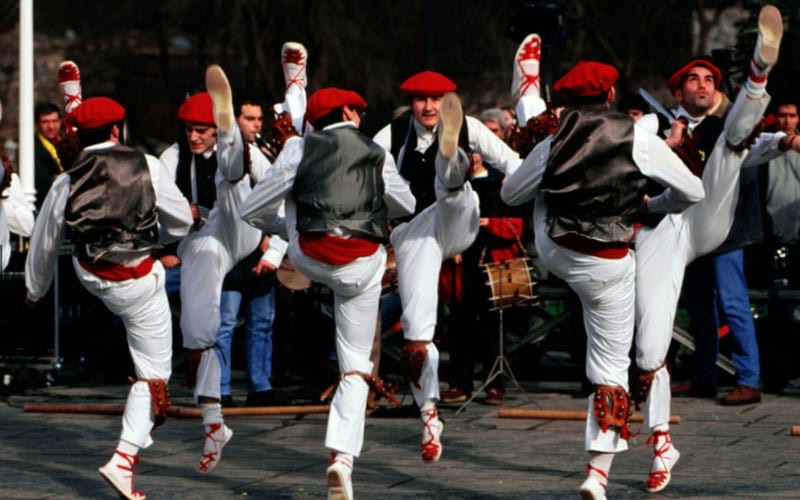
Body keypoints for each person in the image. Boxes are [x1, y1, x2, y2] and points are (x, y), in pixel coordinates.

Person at [500, 61, 705, 499]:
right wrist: (652, 205)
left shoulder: (553, 142)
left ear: (567, 103)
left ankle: (528, 102)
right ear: (611, 96)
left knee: (539, 194)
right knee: (612, 368)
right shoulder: (640, 139)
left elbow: (508, 195)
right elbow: (694, 192)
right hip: (611, 260)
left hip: (556, 248)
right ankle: (598, 473)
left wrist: (544, 157)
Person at [632, 5, 785, 493]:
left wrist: (782, 140)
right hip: (665, 230)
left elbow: (758, 147)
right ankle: (696, 375)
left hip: (712, 228)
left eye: (710, 80)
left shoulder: (721, 128)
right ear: (678, 92)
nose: (703, 86)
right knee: (689, 309)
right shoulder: (654, 127)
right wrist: (669, 145)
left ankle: (757, 77)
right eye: (693, 80)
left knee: (732, 144)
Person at [240, 86, 415, 500]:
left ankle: (341, 457)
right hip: (359, 263)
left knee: (304, 245)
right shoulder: (375, 150)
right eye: (360, 111)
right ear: (350, 112)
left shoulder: (297, 148)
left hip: (309, 256)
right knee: (356, 367)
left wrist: (293, 224)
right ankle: (341, 457)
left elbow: (253, 210)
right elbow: (405, 204)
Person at [24, 97, 193, 499]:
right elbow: (182, 221)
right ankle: (123, 460)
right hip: (137, 280)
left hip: (92, 275)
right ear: (117, 130)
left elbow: (44, 242)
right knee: (155, 377)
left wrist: (35, 291)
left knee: (133, 330)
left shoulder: (66, 179)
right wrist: (158, 236)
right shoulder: (148, 164)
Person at [373, 70, 521, 463]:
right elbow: (360, 164)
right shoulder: (392, 133)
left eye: (436, 99)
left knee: (453, 192)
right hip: (415, 230)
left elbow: (511, 161)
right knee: (418, 328)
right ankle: (429, 417)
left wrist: (523, 190)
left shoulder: (471, 126)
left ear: (447, 102)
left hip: (457, 219)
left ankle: (451, 160)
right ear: (410, 102)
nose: (428, 106)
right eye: (421, 100)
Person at [217, 98, 287, 407]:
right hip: (232, 252)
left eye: (259, 118)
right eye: (249, 118)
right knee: (225, 324)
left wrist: (271, 245)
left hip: (261, 250)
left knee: (262, 323)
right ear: (235, 120)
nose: (255, 124)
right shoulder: (224, 154)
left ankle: (260, 385)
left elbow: (278, 199)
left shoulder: (262, 154)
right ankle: (220, 388)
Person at [33, 101, 64, 210]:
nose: (51, 126)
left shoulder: (69, 143)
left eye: (55, 121)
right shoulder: (32, 149)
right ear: (36, 124)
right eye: (45, 122)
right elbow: (43, 183)